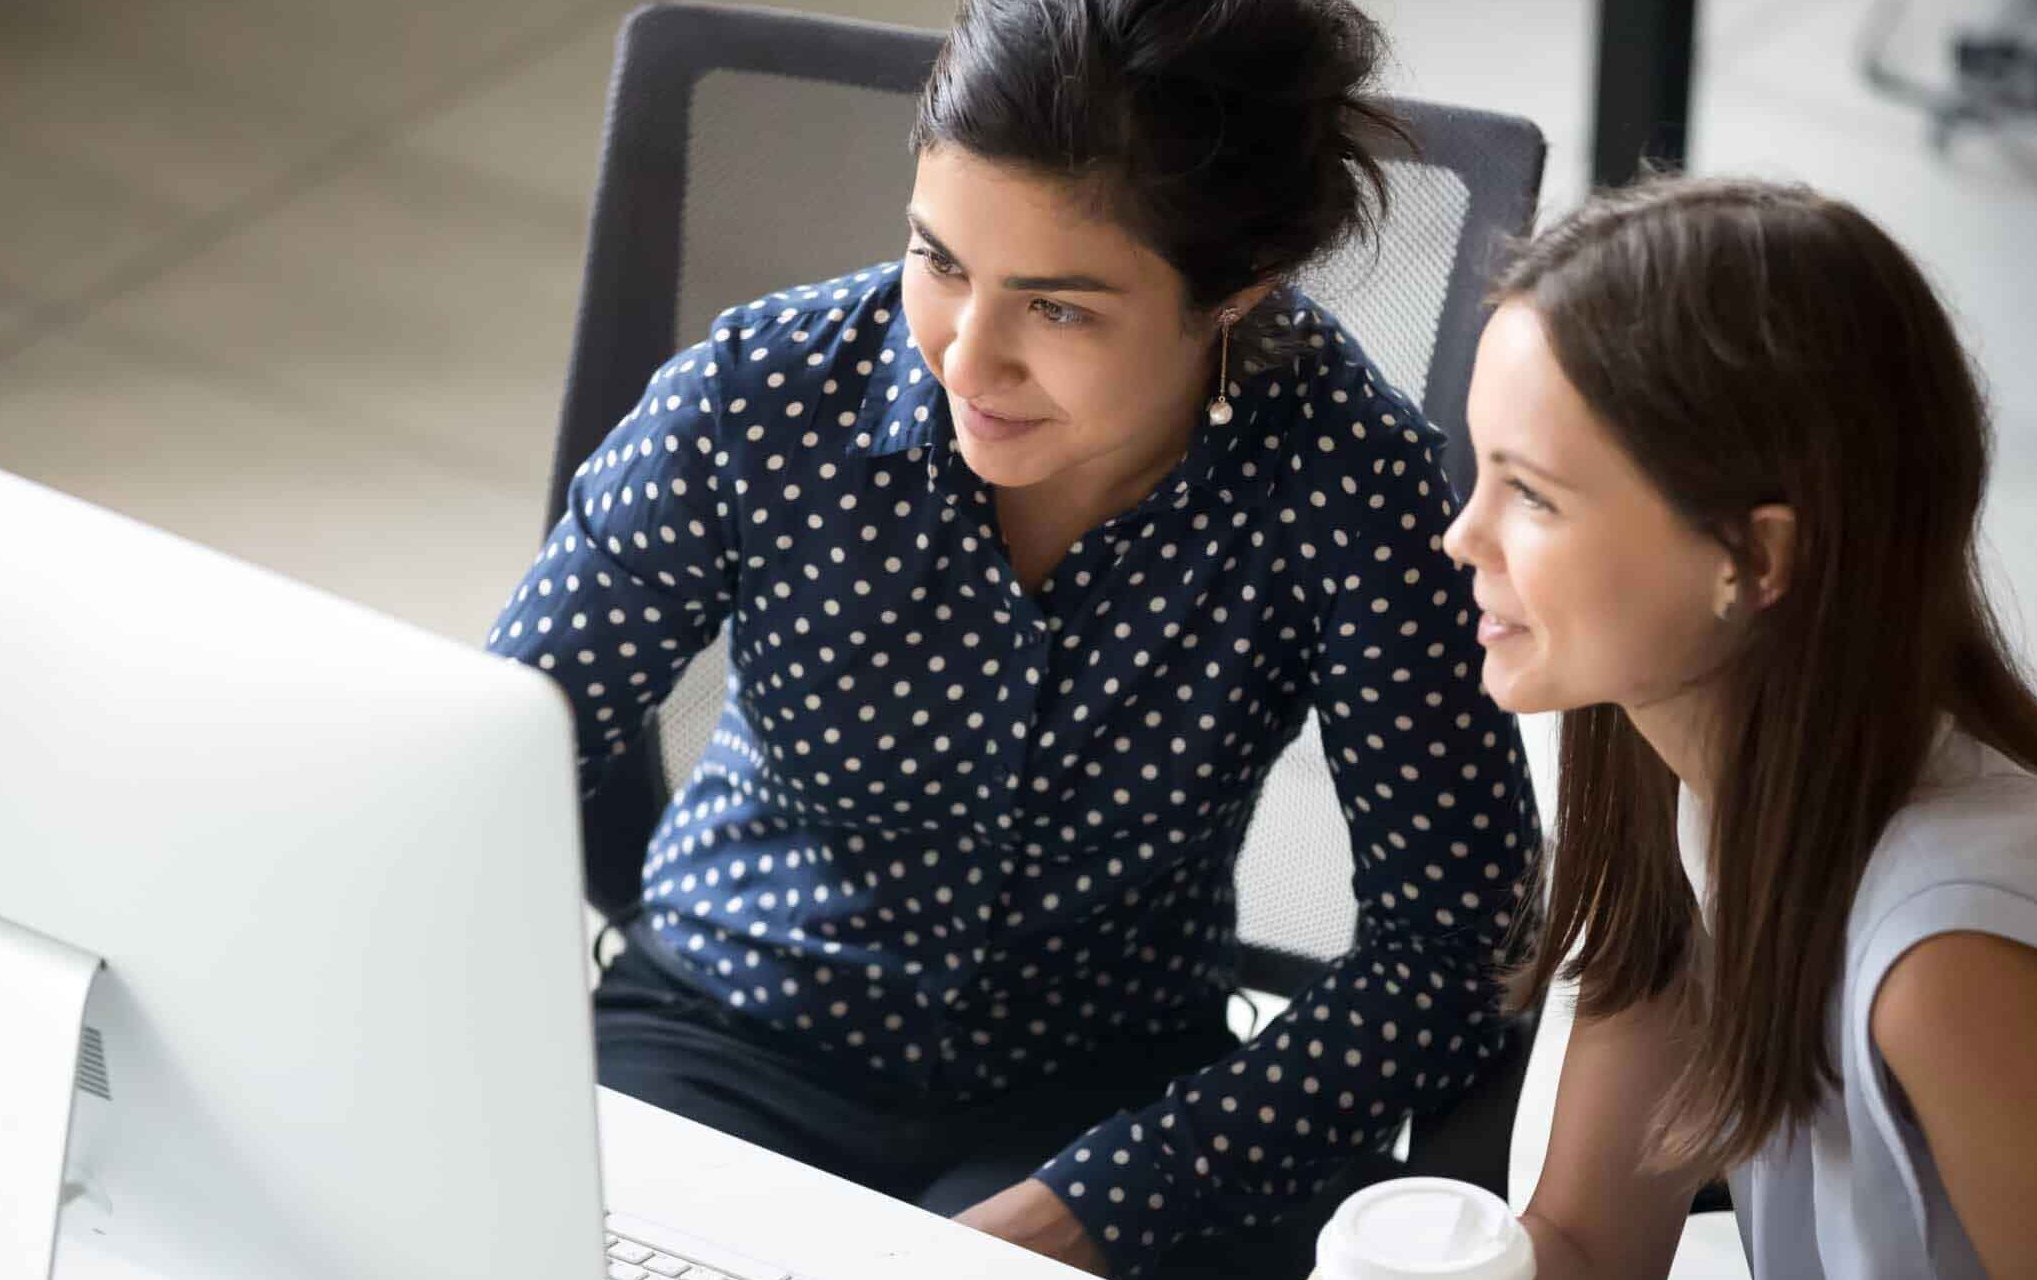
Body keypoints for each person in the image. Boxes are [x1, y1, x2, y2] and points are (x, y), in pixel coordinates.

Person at [485, 0, 1541, 1275]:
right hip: (725, 1027)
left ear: (1234, 294)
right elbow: (484, 768)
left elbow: (1452, 944)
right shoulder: (756, 398)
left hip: (1104, 1103)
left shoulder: (1348, 485)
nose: (965, 358)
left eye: (1057, 309)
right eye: (939, 261)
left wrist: (1099, 1199)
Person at [1442, 176, 2037, 1279]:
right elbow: (1587, 1243)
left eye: (1530, 494)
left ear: (1756, 558)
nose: (1461, 534)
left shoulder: (1957, 968)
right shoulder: (1678, 768)